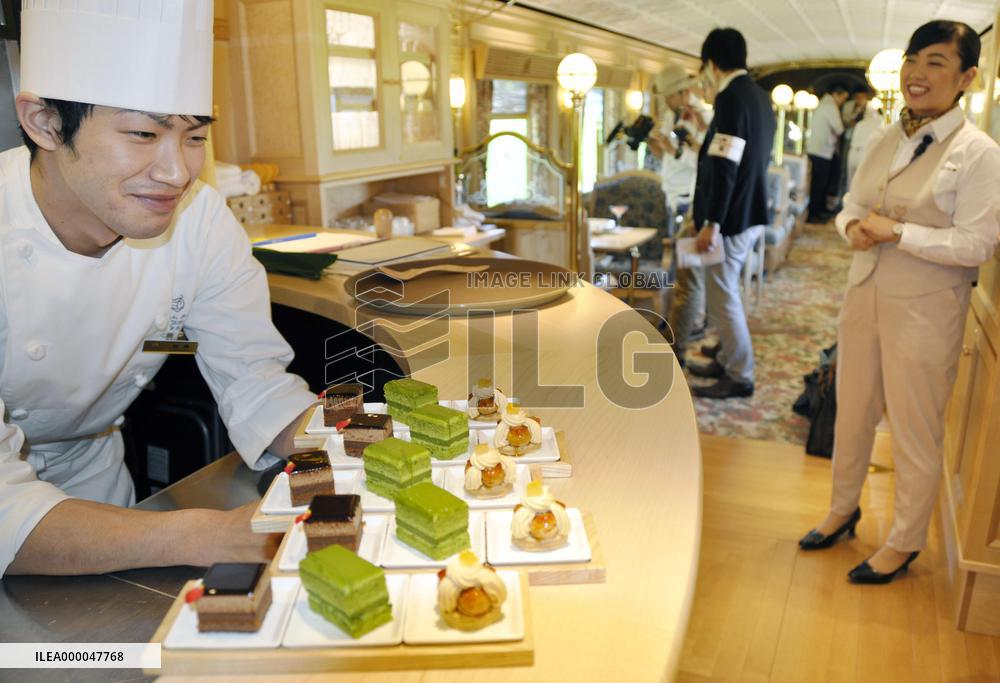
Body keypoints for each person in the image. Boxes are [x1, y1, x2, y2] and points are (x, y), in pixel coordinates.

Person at [1, 2, 317, 576]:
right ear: (45, 122)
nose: (177, 172)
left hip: (97, 485)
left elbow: (254, 378)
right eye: (143, 133)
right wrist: (211, 534)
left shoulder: (199, 219)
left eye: (194, 136)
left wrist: (356, 446)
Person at [798, 20, 1000, 584]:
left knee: (915, 428)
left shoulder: (980, 154)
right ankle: (842, 509)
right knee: (852, 412)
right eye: (914, 59)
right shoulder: (889, 135)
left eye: (936, 62)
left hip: (926, 309)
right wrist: (852, 227)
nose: (918, 73)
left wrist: (898, 233)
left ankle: (905, 540)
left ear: (967, 78)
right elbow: (849, 204)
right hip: (863, 295)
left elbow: (979, 243)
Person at [685, 28, 775, 399]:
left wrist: (712, 223)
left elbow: (724, 166)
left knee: (724, 298)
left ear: (711, 62)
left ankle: (740, 374)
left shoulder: (729, 98)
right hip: (749, 211)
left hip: (730, 218)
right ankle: (724, 357)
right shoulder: (758, 97)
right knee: (727, 294)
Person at [646, 64, 709, 357]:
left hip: (690, 196)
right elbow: (668, 160)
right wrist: (659, 147)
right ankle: (674, 322)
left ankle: (691, 324)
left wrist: (677, 151)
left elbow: (704, 160)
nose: (667, 102)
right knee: (673, 268)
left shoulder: (703, 118)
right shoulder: (670, 116)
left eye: (669, 96)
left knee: (689, 269)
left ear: (683, 92)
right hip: (670, 193)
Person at [806, 84, 849, 223]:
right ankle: (814, 213)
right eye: (843, 97)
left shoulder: (823, 103)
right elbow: (839, 129)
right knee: (820, 183)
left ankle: (818, 210)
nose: (843, 101)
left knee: (818, 182)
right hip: (822, 151)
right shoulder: (830, 106)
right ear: (837, 94)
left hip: (817, 150)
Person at [845, 102, 884, 185]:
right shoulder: (880, 121)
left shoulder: (860, 124)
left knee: (851, 183)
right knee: (862, 183)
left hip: (853, 152)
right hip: (864, 153)